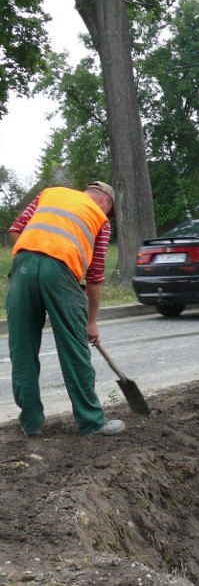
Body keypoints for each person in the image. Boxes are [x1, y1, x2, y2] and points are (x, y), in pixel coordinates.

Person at [7, 182, 125, 437]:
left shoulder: (49, 193)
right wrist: (91, 322)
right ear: (106, 202)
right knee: (73, 349)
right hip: (61, 273)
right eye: (110, 212)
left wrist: (31, 259)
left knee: (22, 349)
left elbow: (16, 230)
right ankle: (91, 423)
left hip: (22, 268)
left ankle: (30, 422)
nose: (108, 217)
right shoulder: (99, 219)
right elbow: (94, 276)